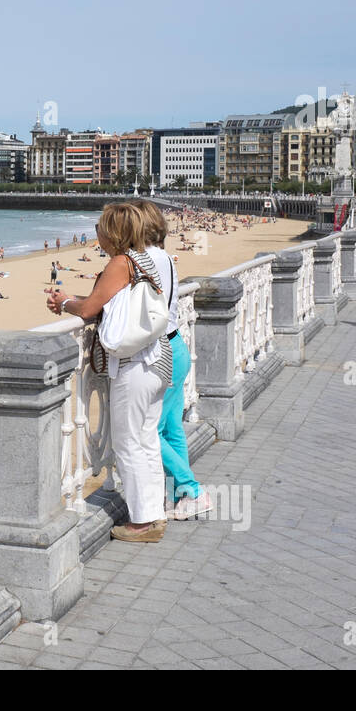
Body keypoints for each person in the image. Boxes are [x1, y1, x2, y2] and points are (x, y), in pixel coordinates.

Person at [45, 203, 171, 542]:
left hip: (135, 365)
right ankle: (153, 513)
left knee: (129, 443)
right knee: (145, 440)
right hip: (156, 359)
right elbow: (110, 304)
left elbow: (88, 308)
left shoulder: (119, 263)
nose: (96, 233)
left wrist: (65, 303)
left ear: (111, 232)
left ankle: (142, 524)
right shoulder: (142, 260)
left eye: (100, 227)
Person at [135, 200, 211, 520]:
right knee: (171, 430)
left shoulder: (141, 259)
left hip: (161, 351)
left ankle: (193, 491)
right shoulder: (166, 258)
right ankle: (175, 497)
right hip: (176, 344)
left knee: (148, 432)